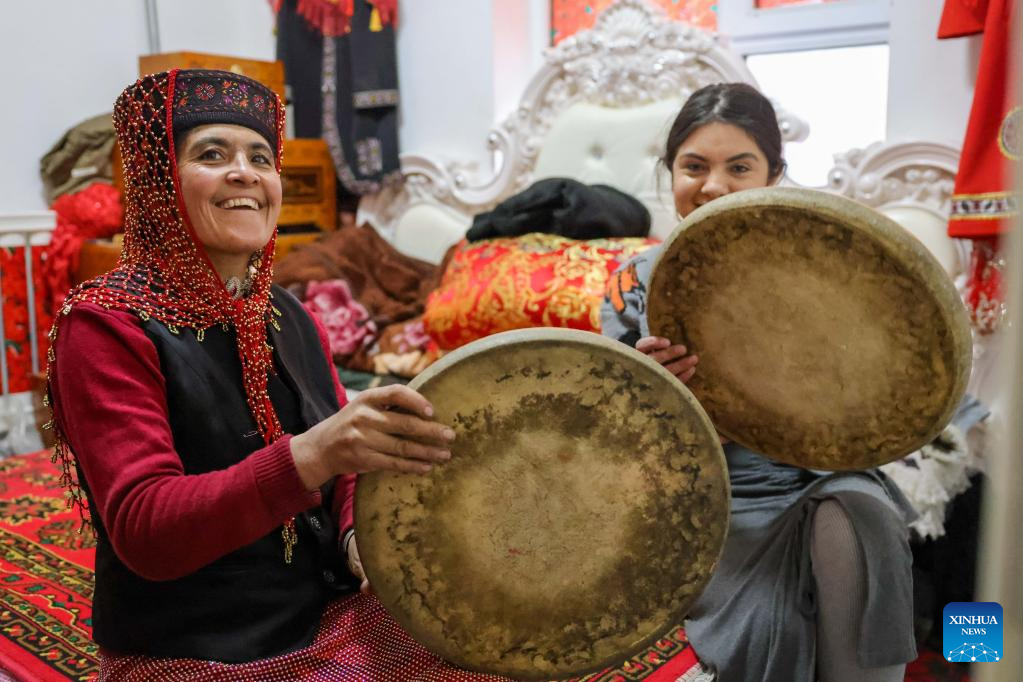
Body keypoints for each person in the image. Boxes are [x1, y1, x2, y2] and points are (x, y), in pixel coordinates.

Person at [46, 69, 502, 681]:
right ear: (159, 181)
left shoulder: (288, 313)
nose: (246, 174)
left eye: (261, 158)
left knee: (491, 647)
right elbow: (147, 529)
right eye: (213, 154)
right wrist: (310, 455)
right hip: (196, 644)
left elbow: (348, 462)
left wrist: (357, 539)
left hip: (322, 607)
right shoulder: (107, 325)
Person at [601, 83, 917, 682]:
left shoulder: (827, 267)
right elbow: (613, 438)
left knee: (861, 519)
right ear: (671, 172)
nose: (713, 186)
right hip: (695, 493)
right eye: (694, 167)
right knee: (759, 625)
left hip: (813, 475)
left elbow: (874, 397)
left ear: (774, 173)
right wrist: (663, 402)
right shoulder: (635, 282)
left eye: (739, 167)